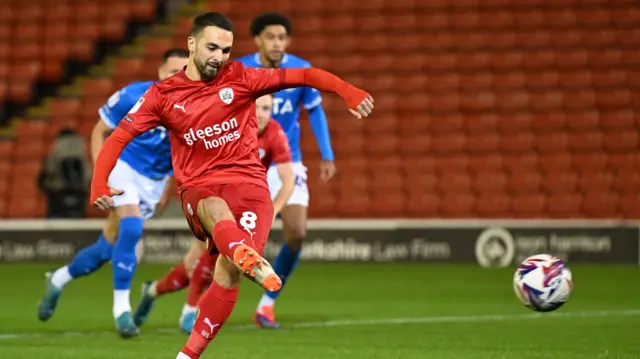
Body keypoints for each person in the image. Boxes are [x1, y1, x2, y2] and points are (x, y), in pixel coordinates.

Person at [89, 12, 373, 359]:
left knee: (229, 272)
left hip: (252, 189)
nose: (219, 57)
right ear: (191, 44)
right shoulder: (162, 96)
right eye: (212, 47)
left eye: (225, 50)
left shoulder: (241, 78)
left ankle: (188, 354)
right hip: (200, 188)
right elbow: (118, 137)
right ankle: (245, 254)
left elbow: (304, 75)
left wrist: (348, 91)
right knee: (215, 210)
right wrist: (99, 182)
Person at [37, 49, 189, 338]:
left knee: (107, 249)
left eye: (183, 71)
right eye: (172, 71)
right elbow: (99, 131)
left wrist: (167, 186)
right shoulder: (134, 95)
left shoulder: (197, 108)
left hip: (153, 181)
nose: (177, 77)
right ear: (160, 73)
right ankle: (122, 311)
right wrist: (101, 175)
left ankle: (59, 278)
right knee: (131, 227)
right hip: (123, 164)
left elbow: (182, 151)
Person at [132, 93, 295, 334]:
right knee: (206, 259)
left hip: (245, 203)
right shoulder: (230, 125)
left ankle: (153, 290)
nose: (261, 113)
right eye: (257, 107)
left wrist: (272, 211)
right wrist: (174, 190)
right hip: (211, 199)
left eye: (267, 108)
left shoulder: (275, 133)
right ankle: (189, 313)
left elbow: (288, 181)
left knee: (201, 263)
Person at [235, 12, 336, 328]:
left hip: (285, 160)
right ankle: (198, 303)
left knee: (297, 232)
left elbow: (315, 110)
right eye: (271, 37)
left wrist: (327, 154)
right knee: (231, 240)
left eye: (282, 37)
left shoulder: (301, 69)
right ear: (258, 40)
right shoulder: (239, 70)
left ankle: (266, 306)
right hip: (245, 162)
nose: (277, 43)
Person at [37, 128, 92, 218]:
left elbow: (44, 180)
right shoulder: (82, 158)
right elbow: (89, 180)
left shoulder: (53, 157)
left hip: (58, 198)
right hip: (77, 199)